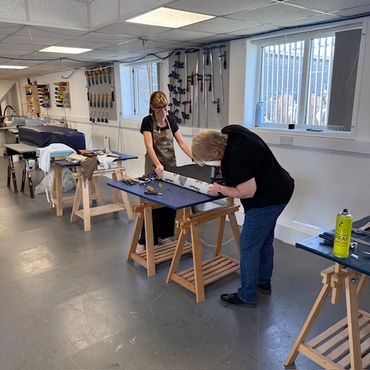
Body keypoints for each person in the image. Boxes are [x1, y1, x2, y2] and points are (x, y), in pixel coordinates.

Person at [191, 124, 294, 307]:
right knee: (264, 240)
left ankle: (247, 295)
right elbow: (249, 167)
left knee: (248, 247)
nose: (213, 163)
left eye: (211, 159)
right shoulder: (232, 131)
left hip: (267, 199)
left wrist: (220, 188)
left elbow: (248, 192)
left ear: (216, 151)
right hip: (282, 188)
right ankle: (263, 281)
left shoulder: (233, 157)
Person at [136, 91, 192, 253]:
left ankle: (165, 235)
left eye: (165, 107)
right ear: (152, 108)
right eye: (159, 108)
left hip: (170, 166)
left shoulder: (171, 120)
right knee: (153, 203)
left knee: (170, 202)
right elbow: (149, 146)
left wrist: (194, 157)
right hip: (154, 167)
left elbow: (181, 142)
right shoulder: (147, 122)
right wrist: (158, 165)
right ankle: (145, 240)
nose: (163, 111)